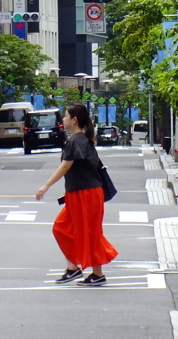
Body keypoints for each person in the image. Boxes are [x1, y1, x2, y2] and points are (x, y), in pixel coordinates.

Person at [36, 103, 118, 286]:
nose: (63, 119)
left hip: (86, 193)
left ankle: (97, 274)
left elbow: (65, 166)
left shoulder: (76, 141)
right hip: (79, 193)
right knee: (62, 228)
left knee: (90, 233)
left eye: (65, 116)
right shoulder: (80, 140)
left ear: (74, 120)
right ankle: (74, 267)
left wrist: (45, 186)